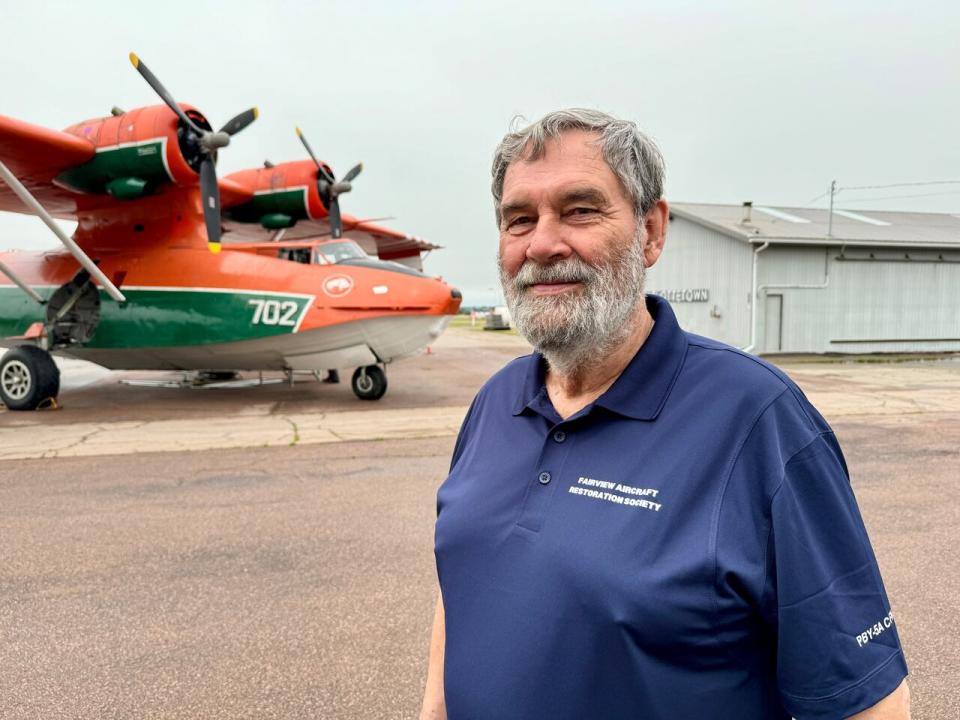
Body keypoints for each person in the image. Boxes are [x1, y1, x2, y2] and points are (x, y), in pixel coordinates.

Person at [420, 109, 910, 720]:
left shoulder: (758, 421)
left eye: (580, 210)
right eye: (519, 219)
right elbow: (462, 583)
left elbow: (865, 704)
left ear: (651, 232)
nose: (542, 243)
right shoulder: (494, 403)